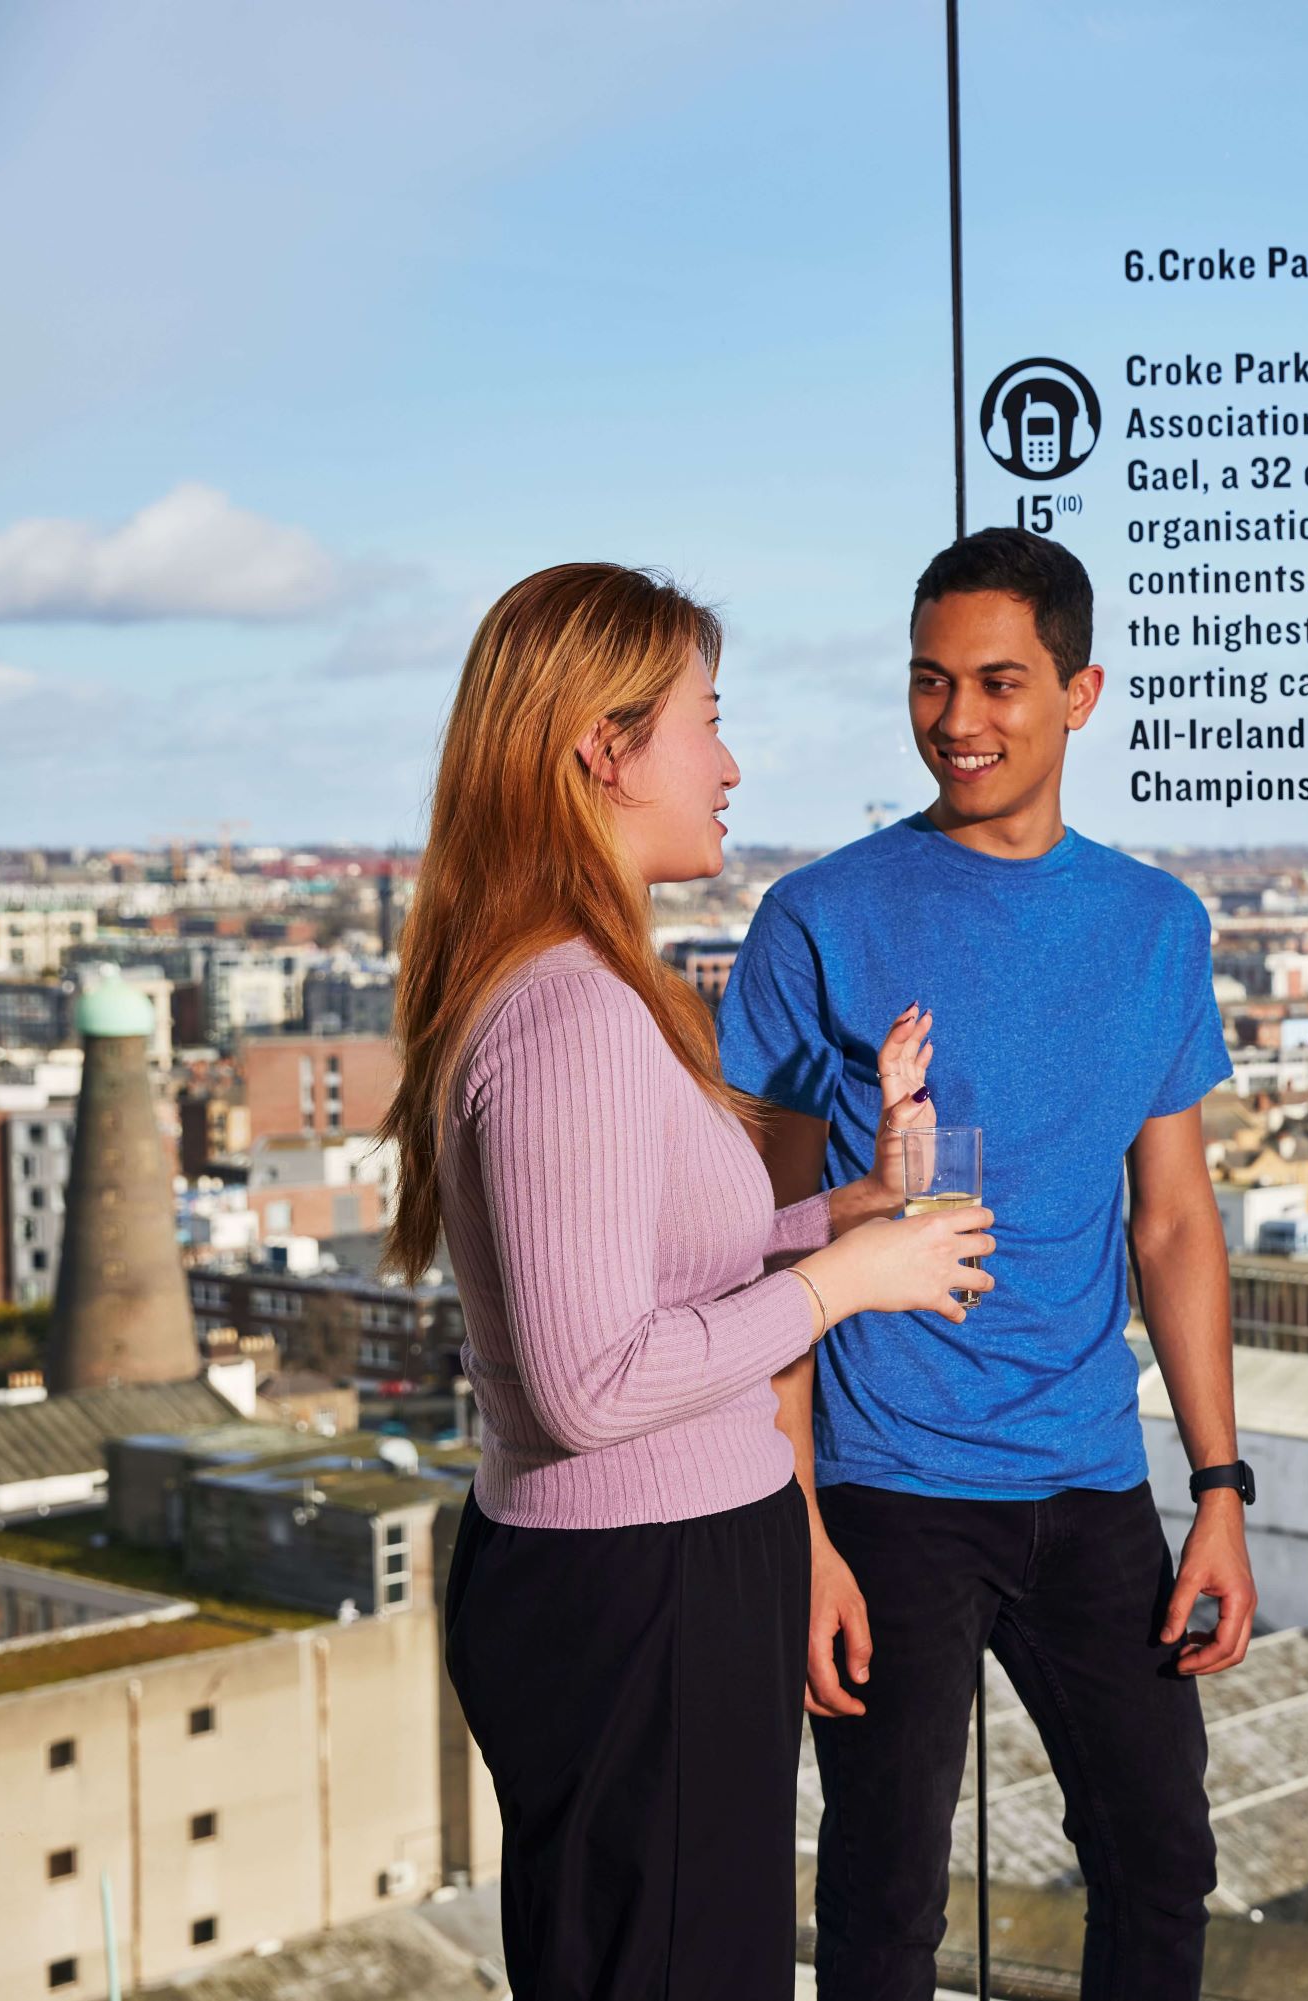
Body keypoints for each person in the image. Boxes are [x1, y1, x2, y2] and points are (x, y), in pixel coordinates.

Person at [385, 562, 994, 1999]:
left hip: (648, 1573)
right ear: (605, 749)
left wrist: (860, 1204)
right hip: (640, 1588)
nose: (730, 764)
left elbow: (665, 1269)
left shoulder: (584, 988)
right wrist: (848, 1278)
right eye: (706, 722)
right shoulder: (572, 1015)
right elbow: (595, 1381)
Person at [718, 528, 1254, 2001]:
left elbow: (1176, 1224)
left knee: (1162, 1864)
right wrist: (802, 1521)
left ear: (1081, 692)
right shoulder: (817, 919)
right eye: (931, 681)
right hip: (885, 1493)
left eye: (1000, 683)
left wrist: (1216, 1487)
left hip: (1089, 1482)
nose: (958, 719)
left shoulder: (1157, 925)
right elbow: (752, 1249)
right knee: (885, 1903)